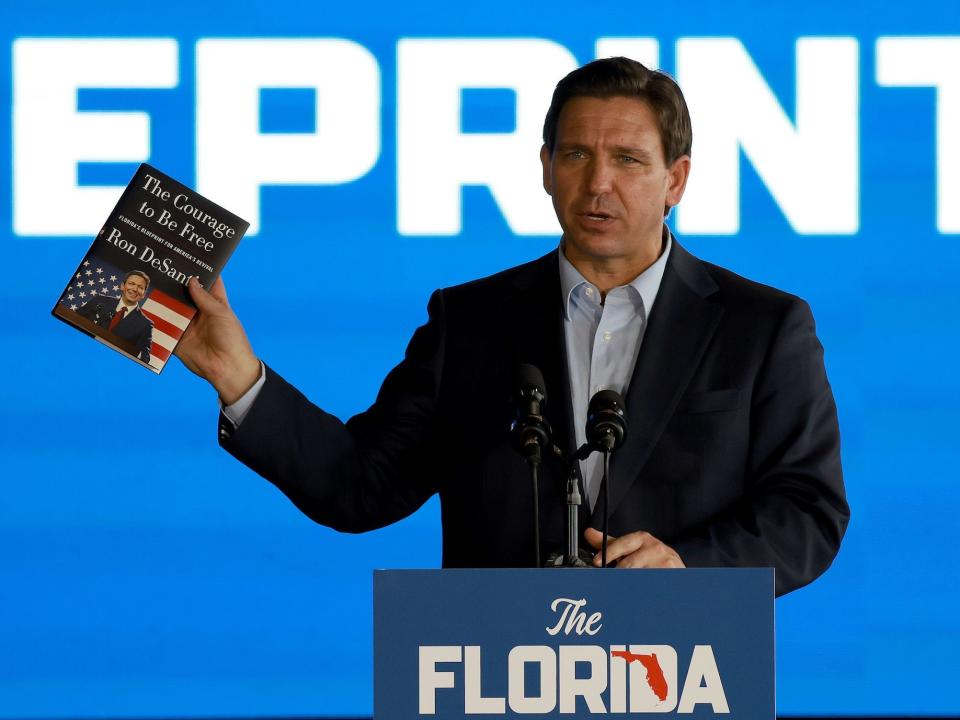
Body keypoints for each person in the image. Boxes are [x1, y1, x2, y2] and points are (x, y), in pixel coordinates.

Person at [175, 57, 848, 596]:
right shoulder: (469, 321)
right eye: (576, 155)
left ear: (676, 180)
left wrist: (688, 568)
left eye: (628, 161)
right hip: (495, 678)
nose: (598, 184)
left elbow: (808, 512)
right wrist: (239, 377)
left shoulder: (764, 326)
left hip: (680, 676)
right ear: (546, 169)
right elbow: (361, 485)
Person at [77, 269, 153, 363]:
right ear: (122, 286)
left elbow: (144, 358)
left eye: (140, 287)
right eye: (131, 283)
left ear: (144, 294)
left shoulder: (145, 324)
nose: (134, 289)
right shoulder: (100, 301)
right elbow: (75, 319)